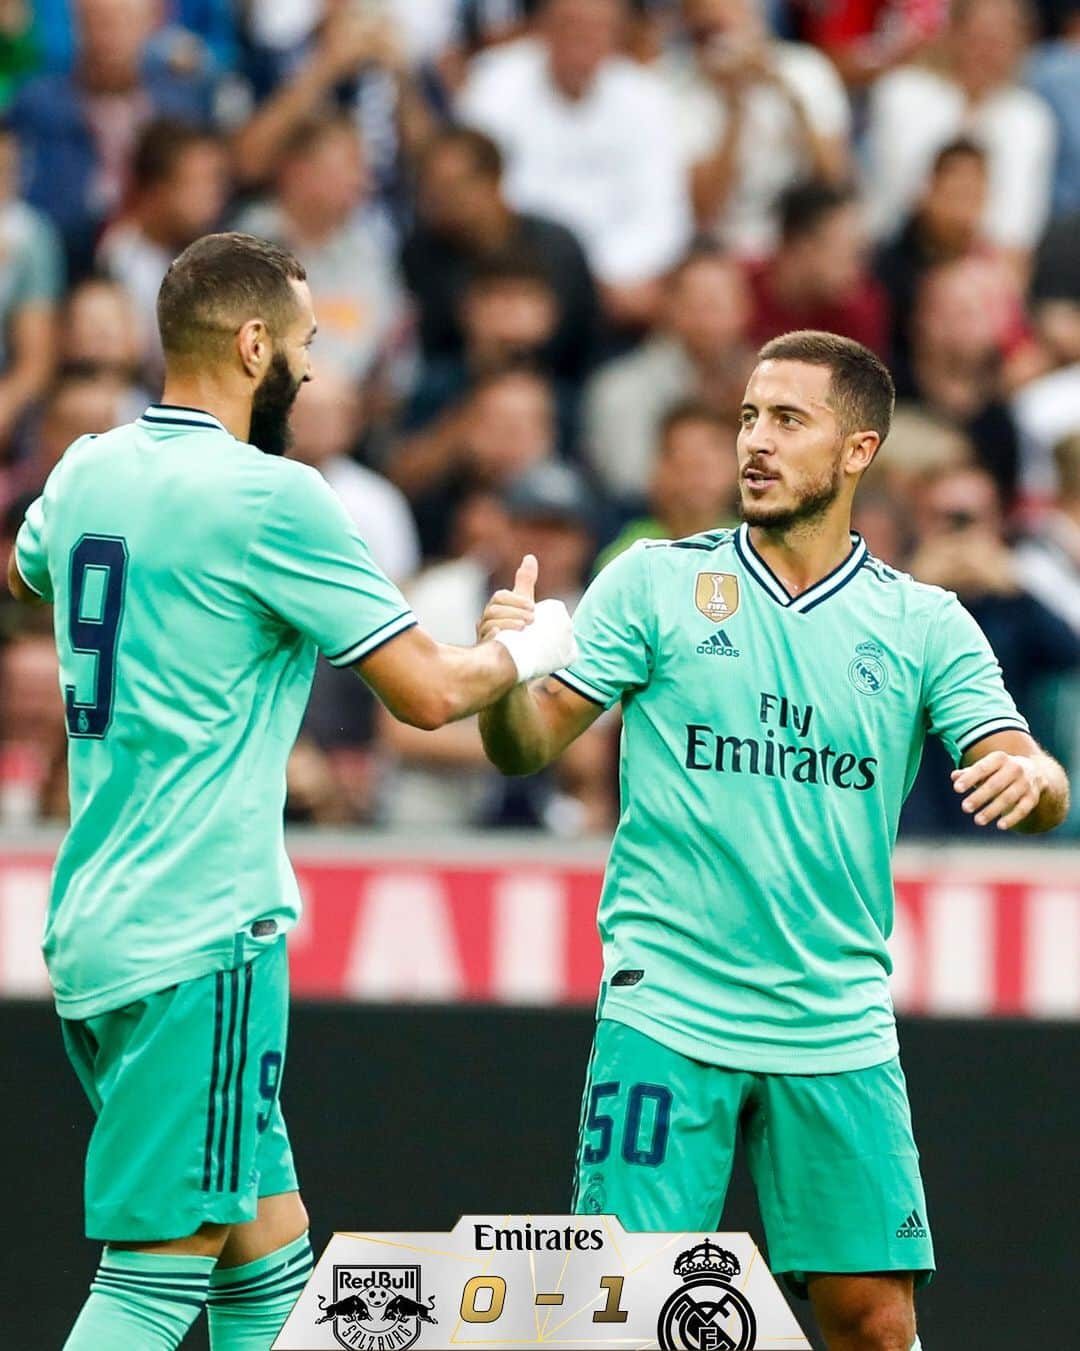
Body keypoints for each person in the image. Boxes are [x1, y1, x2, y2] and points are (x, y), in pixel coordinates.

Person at [5, 230, 575, 1351]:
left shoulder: (84, 467)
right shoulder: (276, 499)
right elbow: (422, 693)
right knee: (153, 1277)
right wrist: (526, 648)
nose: (314, 372)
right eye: (306, 344)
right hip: (201, 932)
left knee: (265, 1248)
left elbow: (30, 566)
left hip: (97, 922)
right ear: (255, 343)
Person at [477, 329, 1069, 1351]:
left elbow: (1026, 758)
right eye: (750, 416)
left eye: (788, 420)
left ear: (857, 450)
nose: (756, 440)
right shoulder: (653, 582)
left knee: (875, 1320)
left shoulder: (924, 622)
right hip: (668, 1005)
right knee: (614, 1316)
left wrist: (1037, 777)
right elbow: (528, 743)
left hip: (834, 1019)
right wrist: (499, 678)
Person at [457, 0, 691, 330]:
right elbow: (488, 195)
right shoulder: (494, 83)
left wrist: (610, 276)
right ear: (542, 26)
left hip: (625, 287)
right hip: (524, 273)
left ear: (619, 33)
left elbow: (662, 210)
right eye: (571, 23)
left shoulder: (647, 97)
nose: (584, 37)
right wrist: (575, 278)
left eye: (599, 27)